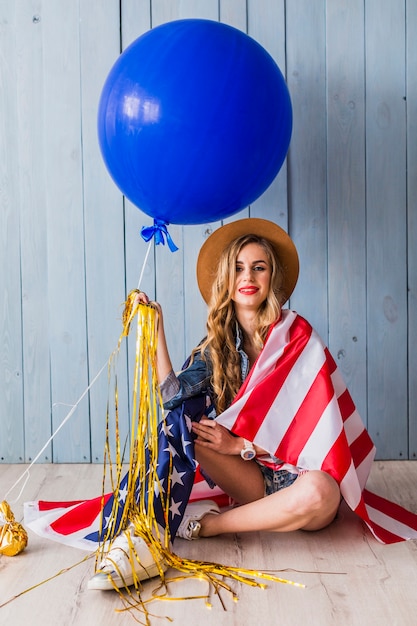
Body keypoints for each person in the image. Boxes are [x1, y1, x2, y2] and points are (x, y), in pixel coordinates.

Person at [88, 217, 342, 591]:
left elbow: (318, 427)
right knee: (181, 420)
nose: (248, 276)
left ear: (272, 278)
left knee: (321, 492)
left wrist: (240, 446)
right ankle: (146, 532)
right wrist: (157, 329)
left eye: (259, 267)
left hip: (300, 476)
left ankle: (210, 526)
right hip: (254, 479)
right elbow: (172, 397)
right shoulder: (218, 350)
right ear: (227, 279)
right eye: (239, 267)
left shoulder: (296, 335)